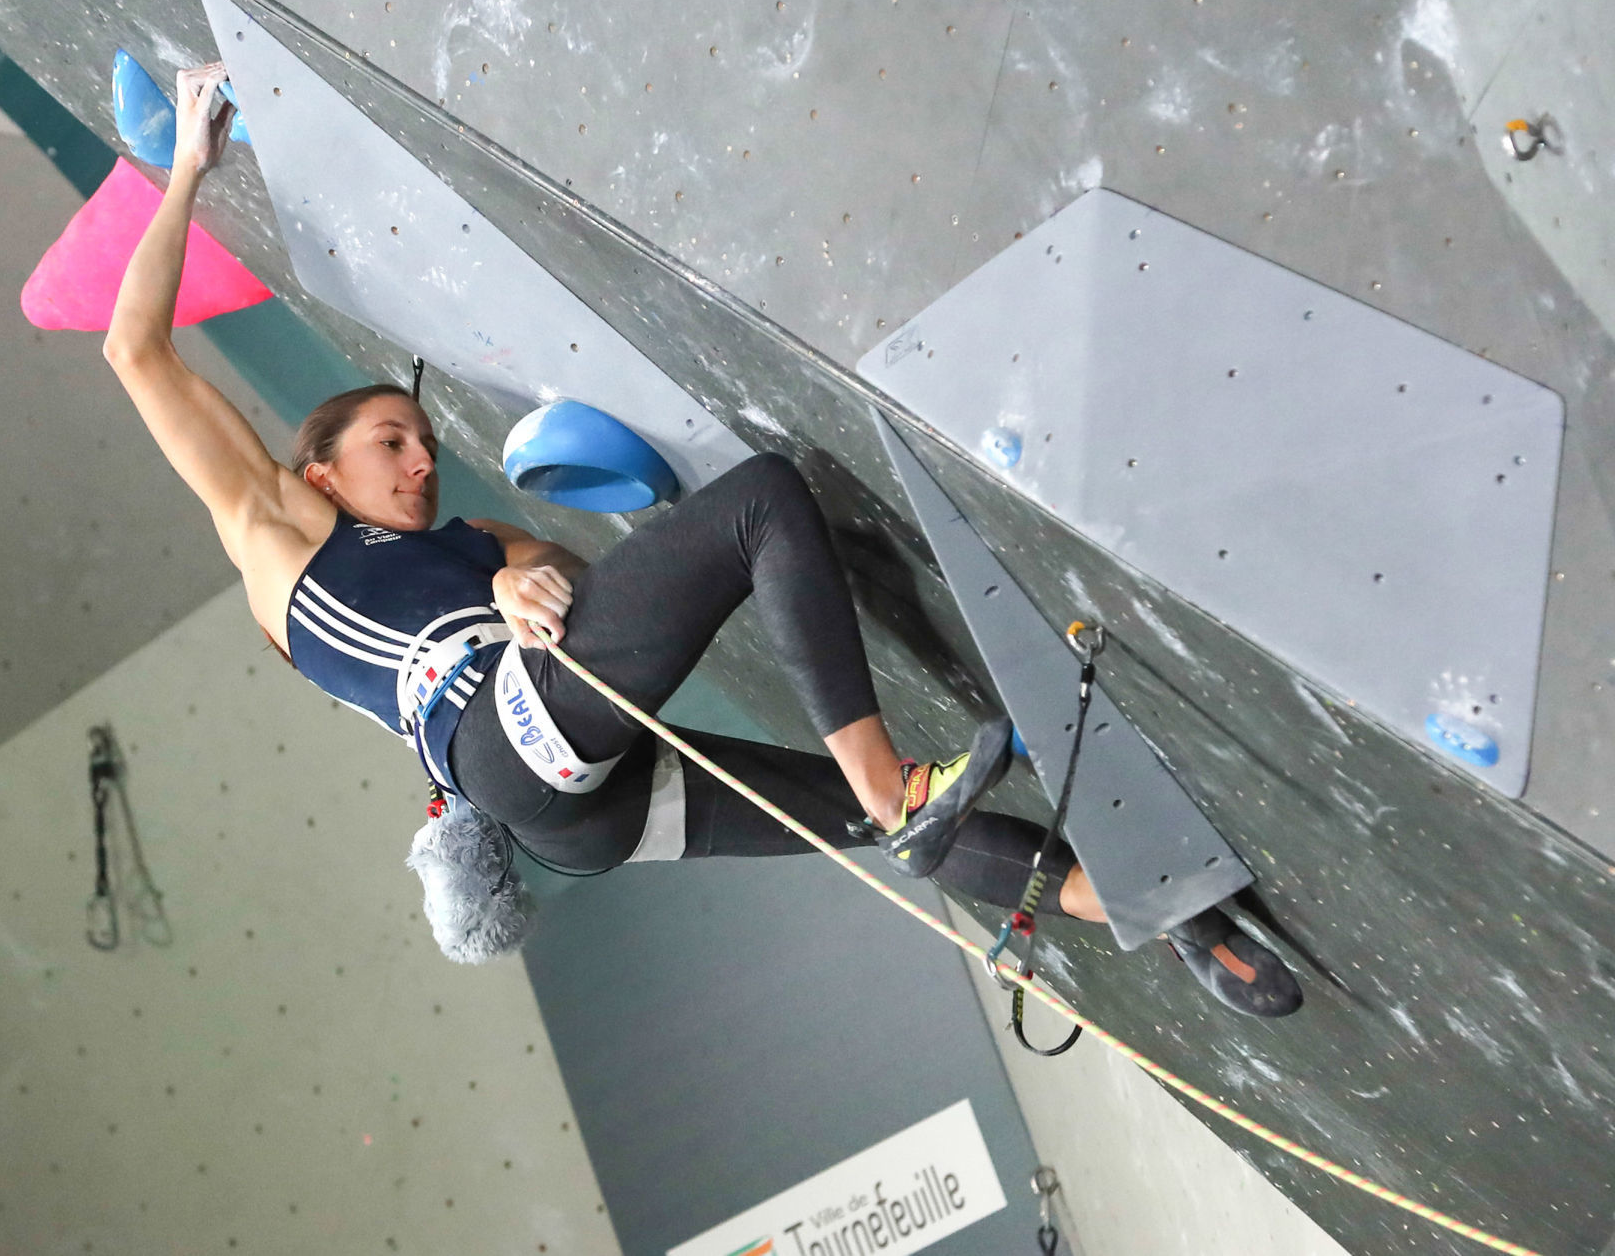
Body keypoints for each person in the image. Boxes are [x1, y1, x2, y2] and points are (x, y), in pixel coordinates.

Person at [99, 62, 1300, 1018]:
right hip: (505, 750)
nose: (420, 460)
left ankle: (1160, 916)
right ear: (317, 472)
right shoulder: (280, 533)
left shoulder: (467, 541)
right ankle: (892, 783)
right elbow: (134, 350)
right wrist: (185, 166)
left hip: (576, 809)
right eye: (389, 442)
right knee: (761, 501)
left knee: (856, 823)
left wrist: (520, 577)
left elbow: (578, 590)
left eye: (421, 441)